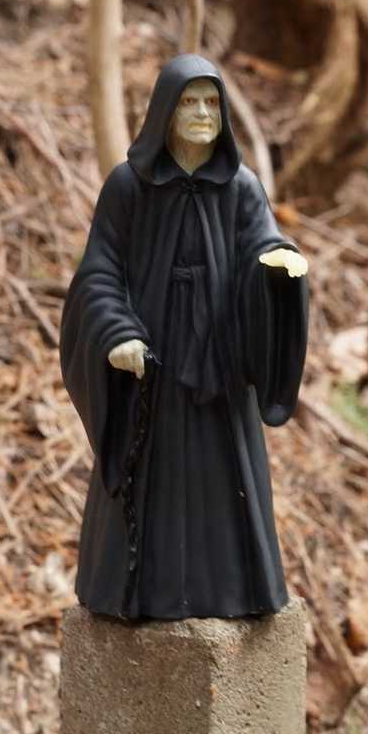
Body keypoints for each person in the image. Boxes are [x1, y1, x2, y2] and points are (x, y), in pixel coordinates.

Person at [60, 54, 309, 620]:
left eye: (212, 102)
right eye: (190, 102)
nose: (202, 113)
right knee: (152, 474)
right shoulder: (128, 187)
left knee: (225, 475)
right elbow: (99, 272)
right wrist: (117, 332)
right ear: (165, 112)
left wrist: (278, 269)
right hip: (153, 365)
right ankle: (139, 593)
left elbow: (264, 245)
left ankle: (231, 592)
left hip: (219, 366)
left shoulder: (241, 187)